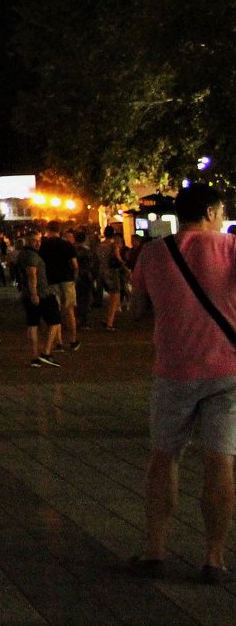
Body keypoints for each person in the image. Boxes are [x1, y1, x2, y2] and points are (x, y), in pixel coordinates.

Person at [127, 184, 236, 584]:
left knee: (164, 458)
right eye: (221, 211)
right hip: (228, 371)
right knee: (219, 462)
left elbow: (137, 309)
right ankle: (214, 557)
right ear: (209, 212)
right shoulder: (230, 247)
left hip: (173, 372)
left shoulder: (154, 253)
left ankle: (155, 549)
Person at [13, 227, 62, 367]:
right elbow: (32, 275)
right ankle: (46, 352)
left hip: (29, 294)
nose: (37, 243)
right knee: (55, 320)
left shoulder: (22, 254)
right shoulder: (32, 256)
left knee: (33, 324)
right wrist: (34, 293)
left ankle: (35, 356)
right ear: (28, 241)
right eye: (34, 240)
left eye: (38, 240)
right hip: (41, 293)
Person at [39, 225, 82, 351]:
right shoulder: (67, 245)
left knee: (55, 311)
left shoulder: (44, 245)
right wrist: (75, 277)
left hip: (51, 280)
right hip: (67, 280)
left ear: (48, 231)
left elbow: (41, 264)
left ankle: (58, 342)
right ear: (59, 231)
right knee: (69, 311)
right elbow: (75, 265)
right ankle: (73, 340)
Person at [101, 227, 129, 330]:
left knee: (112, 297)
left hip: (103, 273)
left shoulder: (100, 245)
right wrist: (126, 267)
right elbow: (118, 259)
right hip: (113, 273)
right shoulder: (113, 246)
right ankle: (110, 323)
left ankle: (108, 319)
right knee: (115, 298)